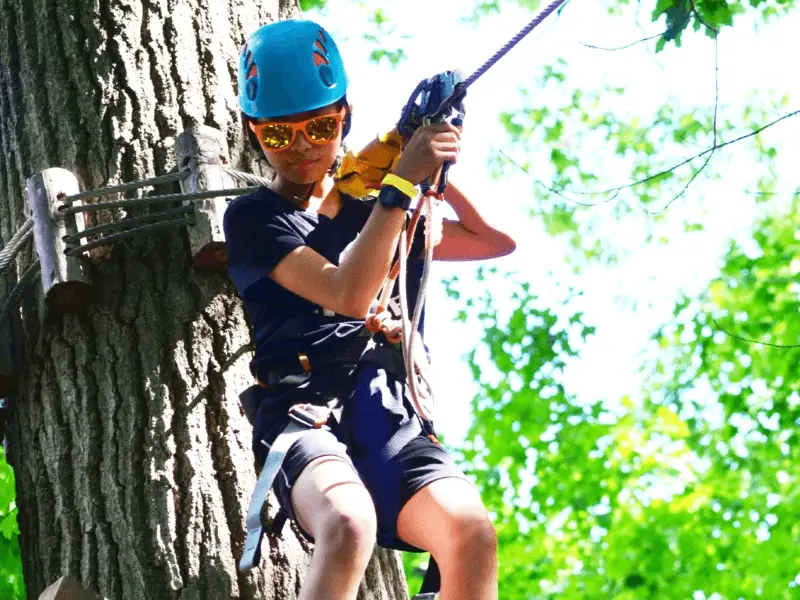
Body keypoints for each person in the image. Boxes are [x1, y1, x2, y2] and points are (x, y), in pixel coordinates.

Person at [224, 18, 516, 600]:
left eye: (320, 127)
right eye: (278, 136)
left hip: (386, 408)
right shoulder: (256, 219)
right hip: (305, 409)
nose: (302, 146)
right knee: (348, 523)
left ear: (344, 116)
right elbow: (347, 292)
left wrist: (423, 157)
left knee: (471, 536)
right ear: (253, 134)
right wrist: (399, 182)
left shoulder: (372, 200)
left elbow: (492, 240)